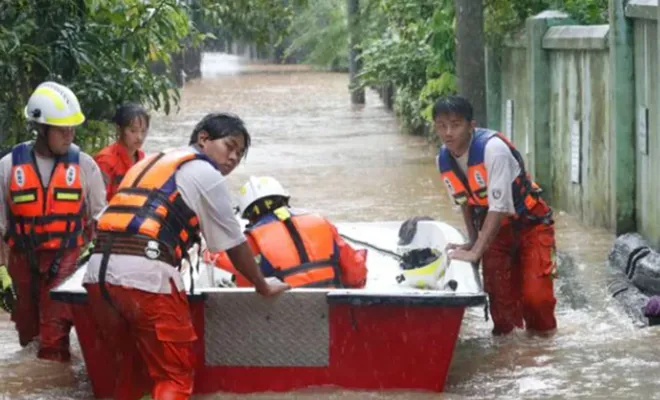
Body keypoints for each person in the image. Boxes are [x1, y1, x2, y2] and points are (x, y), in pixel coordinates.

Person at [82, 113, 290, 400]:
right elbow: (234, 244)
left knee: (128, 371)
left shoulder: (148, 162)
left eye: (239, 154)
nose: (232, 158)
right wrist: (261, 283)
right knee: (174, 377)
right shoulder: (207, 175)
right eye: (229, 146)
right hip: (146, 279)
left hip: (97, 277)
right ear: (203, 139)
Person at [0, 81, 107, 361]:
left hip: (65, 260)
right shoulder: (8, 167)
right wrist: (2, 277)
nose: (69, 135)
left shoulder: (85, 166)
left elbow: (102, 220)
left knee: (53, 339)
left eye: (73, 129)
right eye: (62, 129)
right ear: (41, 128)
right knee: (27, 336)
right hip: (22, 262)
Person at [434, 95, 557, 336]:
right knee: (501, 313)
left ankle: (544, 353)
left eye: (455, 124)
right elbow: (464, 202)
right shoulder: (443, 159)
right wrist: (472, 240)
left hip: (531, 224)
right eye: (441, 125)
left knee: (537, 300)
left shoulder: (494, 150)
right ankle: (507, 361)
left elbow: (499, 207)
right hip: (496, 232)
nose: (448, 132)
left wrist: (476, 252)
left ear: (471, 126)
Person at [207, 176, 368, 289]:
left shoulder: (252, 239)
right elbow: (355, 271)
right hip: (330, 306)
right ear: (284, 200)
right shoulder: (320, 222)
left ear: (249, 214)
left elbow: (247, 289)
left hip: (285, 312)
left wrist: (208, 254)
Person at [94, 103, 149, 201]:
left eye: (143, 131)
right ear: (119, 130)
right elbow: (98, 201)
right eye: (133, 131)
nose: (140, 137)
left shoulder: (142, 158)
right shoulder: (105, 161)